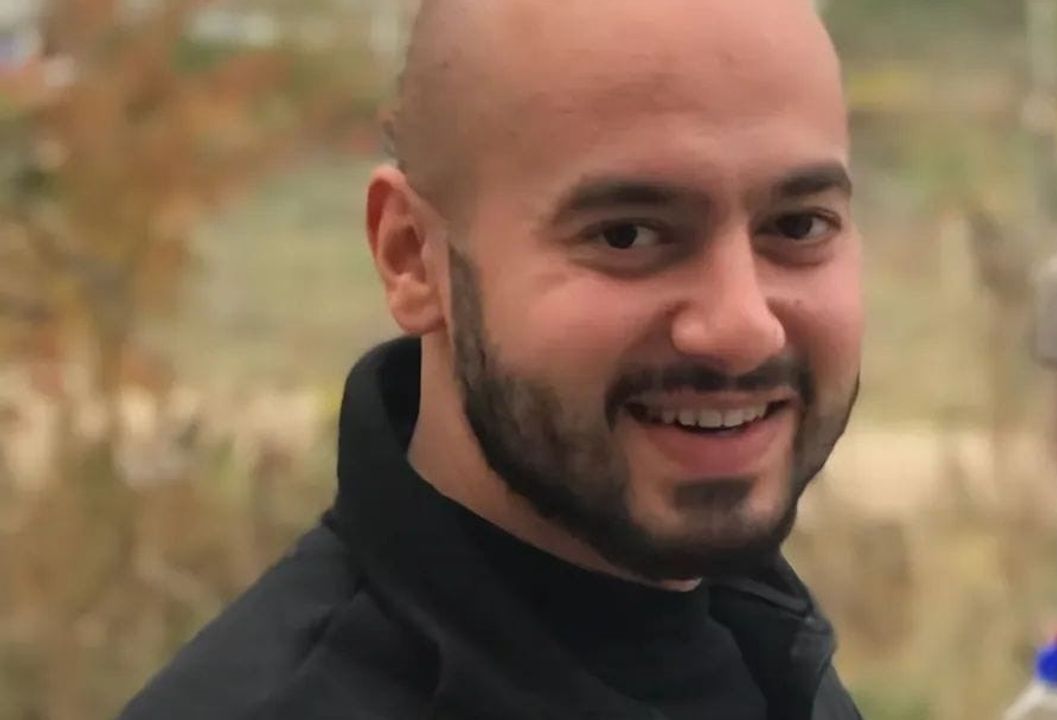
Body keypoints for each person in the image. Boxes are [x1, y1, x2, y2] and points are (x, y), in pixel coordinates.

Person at [117, 0, 865, 717]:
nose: (743, 328)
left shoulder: (759, 649)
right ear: (411, 256)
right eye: (627, 235)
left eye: (798, 226)